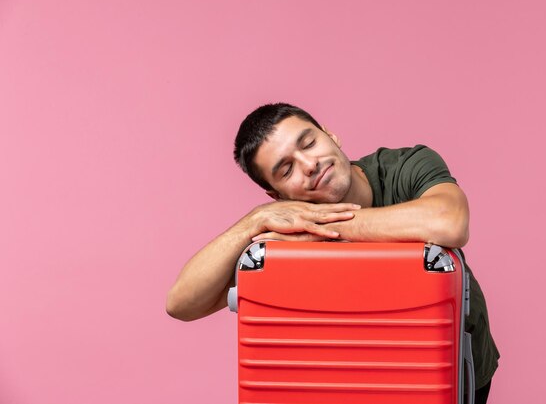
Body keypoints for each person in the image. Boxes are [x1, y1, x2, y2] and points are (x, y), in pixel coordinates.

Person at [167, 103, 499, 403]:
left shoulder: (407, 166)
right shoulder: (280, 228)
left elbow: (449, 222)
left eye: (308, 143)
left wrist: (321, 229)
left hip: (443, 370)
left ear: (330, 135)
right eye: (286, 170)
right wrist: (253, 221)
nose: (309, 165)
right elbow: (182, 304)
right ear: (276, 194)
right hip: (343, 377)